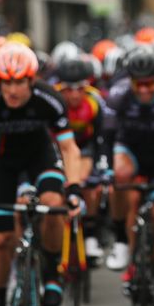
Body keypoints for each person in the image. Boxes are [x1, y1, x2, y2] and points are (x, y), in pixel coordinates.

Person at [0, 42, 83, 306]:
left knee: (53, 203)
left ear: (31, 79)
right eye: (6, 82)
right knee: (1, 238)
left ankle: (52, 272)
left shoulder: (49, 99)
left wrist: (74, 188)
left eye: (19, 83)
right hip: (0, 163)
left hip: (39, 157)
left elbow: (69, 148)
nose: (12, 90)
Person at [102, 44, 154, 306]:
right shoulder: (119, 94)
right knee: (119, 176)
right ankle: (122, 240)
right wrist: (105, 167)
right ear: (130, 80)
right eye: (140, 84)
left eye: (151, 83)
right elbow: (108, 136)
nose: (146, 89)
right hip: (131, 154)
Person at [54, 57, 110, 261]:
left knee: (88, 185)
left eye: (80, 88)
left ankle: (91, 235)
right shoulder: (55, 101)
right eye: (68, 89)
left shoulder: (95, 102)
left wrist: (103, 163)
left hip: (85, 147)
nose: (75, 94)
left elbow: (102, 137)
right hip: (57, 148)